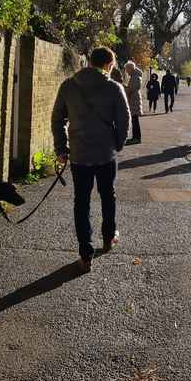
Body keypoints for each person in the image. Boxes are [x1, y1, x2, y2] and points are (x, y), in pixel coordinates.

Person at [52, 47, 130, 272]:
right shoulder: (114, 88)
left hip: (79, 155)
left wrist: (62, 147)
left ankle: (85, 255)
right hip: (106, 154)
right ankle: (107, 238)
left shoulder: (68, 86)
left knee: (81, 201)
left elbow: (57, 118)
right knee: (108, 196)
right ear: (108, 64)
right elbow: (124, 122)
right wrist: (117, 144)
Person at [124, 61, 143, 143]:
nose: (126, 72)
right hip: (134, 99)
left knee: (135, 120)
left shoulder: (135, 77)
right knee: (134, 120)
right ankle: (135, 137)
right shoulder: (134, 76)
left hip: (134, 100)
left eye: (127, 70)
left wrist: (124, 87)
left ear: (130, 69)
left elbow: (131, 89)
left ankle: (137, 138)